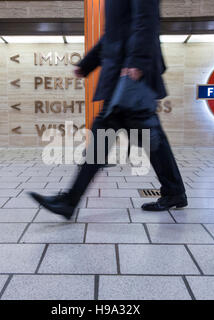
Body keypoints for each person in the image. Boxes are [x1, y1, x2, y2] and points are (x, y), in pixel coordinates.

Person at [29, 0, 187, 219]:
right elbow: (113, 35)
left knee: (121, 135)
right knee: (142, 138)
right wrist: (88, 63)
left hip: (130, 77)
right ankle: (174, 192)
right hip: (122, 76)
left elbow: (146, 21)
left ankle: (70, 201)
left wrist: (137, 62)